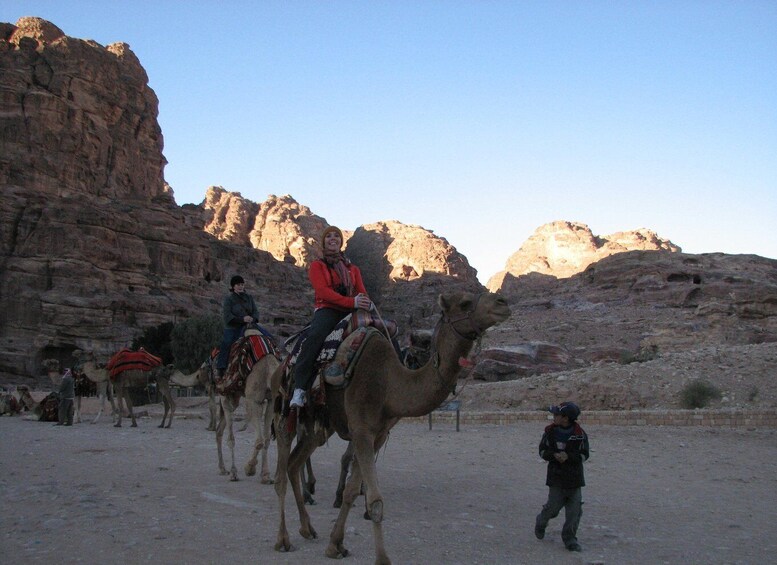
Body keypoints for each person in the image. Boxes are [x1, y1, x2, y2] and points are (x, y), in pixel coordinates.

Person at [290, 226, 372, 408]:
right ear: (324, 242)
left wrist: (366, 302)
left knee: (379, 330)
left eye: (336, 236)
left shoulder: (353, 269)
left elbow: (361, 291)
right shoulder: (317, 266)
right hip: (327, 309)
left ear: (341, 242)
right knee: (314, 338)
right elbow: (323, 292)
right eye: (329, 236)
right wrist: (353, 303)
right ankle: (300, 389)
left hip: (350, 309)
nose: (333, 238)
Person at [534, 401, 590, 552]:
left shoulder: (579, 435)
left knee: (574, 512)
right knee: (552, 509)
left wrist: (569, 457)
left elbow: (585, 455)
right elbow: (542, 451)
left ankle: (570, 539)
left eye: (556, 414)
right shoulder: (550, 432)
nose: (554, 417)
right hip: (556, 479)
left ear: (565, 418)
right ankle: (541, 521)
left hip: (574, 480)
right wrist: (553, 456)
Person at [216, 275, 260, 377]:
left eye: (242, 284)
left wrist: (253, 318)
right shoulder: (229, 299)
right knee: (227, 343)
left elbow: (255, 311)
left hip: (249, 326)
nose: (240, 286)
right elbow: (227, 316)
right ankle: (221, 367)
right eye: (238, 284)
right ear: (233, 286)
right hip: (233, 327)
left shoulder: (249, 298)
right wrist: (242, 319)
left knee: (266, 337)